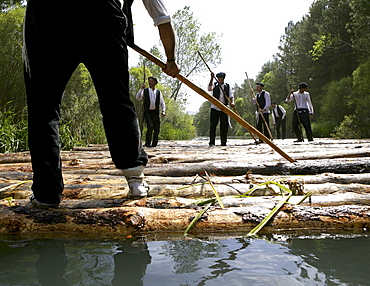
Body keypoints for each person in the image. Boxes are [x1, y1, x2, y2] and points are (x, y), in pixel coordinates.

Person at [23, 0, 180, 208]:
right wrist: (170, 59)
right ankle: (135, 180)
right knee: (116, 99)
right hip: (103, 15)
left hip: (49, 15)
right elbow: (162, 18)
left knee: (44, 108)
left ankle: (46, 194)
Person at [136, 77, 166, 147]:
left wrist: (163, 111)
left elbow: (162, 102)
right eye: (149, 81)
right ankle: (147, 143)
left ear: (155, 82)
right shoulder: (145, 91)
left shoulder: (158, 92)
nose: (150, 82)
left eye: (152, 81)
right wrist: (141, 89)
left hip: (155, 112)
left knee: (157, 128)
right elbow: (138, 98)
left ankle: (154, 144)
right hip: (147, 112)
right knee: (150, 126)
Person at [207, 72, 235, 147]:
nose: (220, 81)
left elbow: (231, 96)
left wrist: (232, 103)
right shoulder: (214, 84)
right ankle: (212, 142)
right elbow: (209, 89)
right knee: (213, 125)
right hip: (215, 107)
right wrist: (211, 79)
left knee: (224, 126)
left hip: (224, 108)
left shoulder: (227, 86)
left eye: (221, 79)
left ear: (223, 79)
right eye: (219, 79)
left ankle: (223, 143)